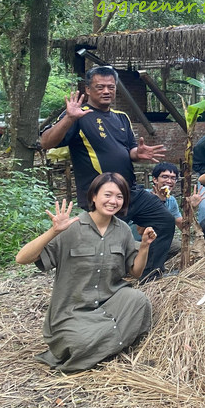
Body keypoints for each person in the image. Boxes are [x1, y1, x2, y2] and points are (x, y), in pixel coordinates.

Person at [40, 65, 175, 280]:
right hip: (101, 196)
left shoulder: (121, 117)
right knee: (103, 242)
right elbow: (46, 142)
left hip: (130, 191)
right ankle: (101, 282)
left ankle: (150, 274)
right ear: (88, 89)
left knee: (165, 221)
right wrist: (68, 118)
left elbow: (128, 149)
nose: (106, 91)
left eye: (110, 87)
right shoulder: (78, 115)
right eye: (100, 87)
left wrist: (138, 154)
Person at [15, 172, 155, 372]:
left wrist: (144, 247)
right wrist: (53, 232)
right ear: (93, 197)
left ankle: (103, 342)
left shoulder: (123, 230)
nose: (113, 201)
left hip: (109, 304)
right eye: (107, 195)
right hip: (72, 313)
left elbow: (136, 273)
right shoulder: (71, 228)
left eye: (119, 196)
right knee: (80, 342)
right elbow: (22, 258)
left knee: (138, 300)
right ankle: (111, 341)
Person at [130, 162, 205, 257]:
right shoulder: (143, 196)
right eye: (165, 177)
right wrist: (157, 202)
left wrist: (191, 208)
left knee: (184, 249)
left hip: (159, 241)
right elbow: (140, 231)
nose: (169, 181)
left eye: (173, 178)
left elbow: (182, 226)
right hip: (137, 242)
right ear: (155, 179)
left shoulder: (171, 200)